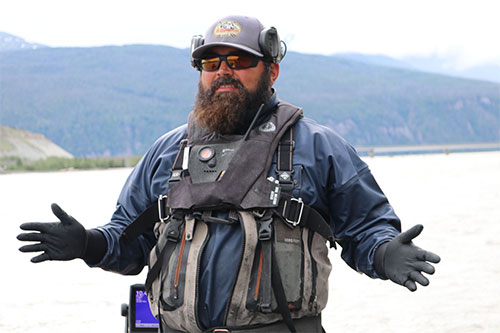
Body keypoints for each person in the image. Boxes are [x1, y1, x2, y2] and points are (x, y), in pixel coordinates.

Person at [17, 15, 440, 333]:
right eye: (211, 62)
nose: (223, 71)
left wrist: (385, 254)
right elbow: (127, 243)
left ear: (271, 71)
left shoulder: (318, 148)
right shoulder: (167, 153)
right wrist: (87, 244)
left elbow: (366, 228)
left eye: (238, 61)